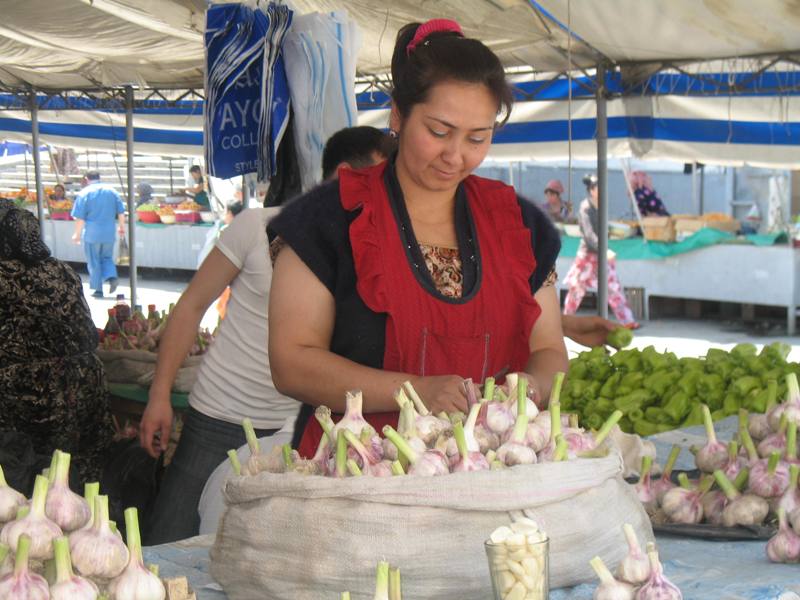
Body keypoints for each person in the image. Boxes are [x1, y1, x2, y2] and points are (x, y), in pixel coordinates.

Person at [269, 19, 568, 458]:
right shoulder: (326, 219)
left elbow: (548, 349)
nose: (455, 155)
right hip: (354, 478)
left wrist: (533, 385)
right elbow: (291, 362)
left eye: (477, 138)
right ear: (398, 115)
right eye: (439, 131)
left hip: (485, 473)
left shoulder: (520, 225)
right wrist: (413, 390)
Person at [139, 126, 393, 544]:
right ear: (347, 175)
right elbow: (191, 306)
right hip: (220, 420)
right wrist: (160, 395)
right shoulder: (259, 226)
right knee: (171, 542)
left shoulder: (377, 254)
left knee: (264, 554)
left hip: (303, 433)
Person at [0, 199, 114, 484]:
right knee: (82, 476)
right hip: (85, 385)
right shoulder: (61, 270)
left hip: (26, 394)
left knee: (27, 477)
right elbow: (87, 332)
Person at [563, 174, 639, 328]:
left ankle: (628, 321)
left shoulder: (601, 205)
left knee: (613, 287)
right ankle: (564, 320)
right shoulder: (585, 208)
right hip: (587, 256)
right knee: (576, 291)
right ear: (592, 190)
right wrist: (604, 250)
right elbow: (589, 235)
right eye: (599, 187)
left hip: (601, 254)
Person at [70, 171, 126, 298]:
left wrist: (77, 234)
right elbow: (121, 212)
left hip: (92, 233)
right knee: (107, 257)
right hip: (109, 232)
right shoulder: (112, 191)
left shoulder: (85, 193)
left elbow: (80, 217)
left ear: (86, 179)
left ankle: (98, 289)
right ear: (100, 178)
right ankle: (111, 276)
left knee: (94, 261)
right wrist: (121, 227)